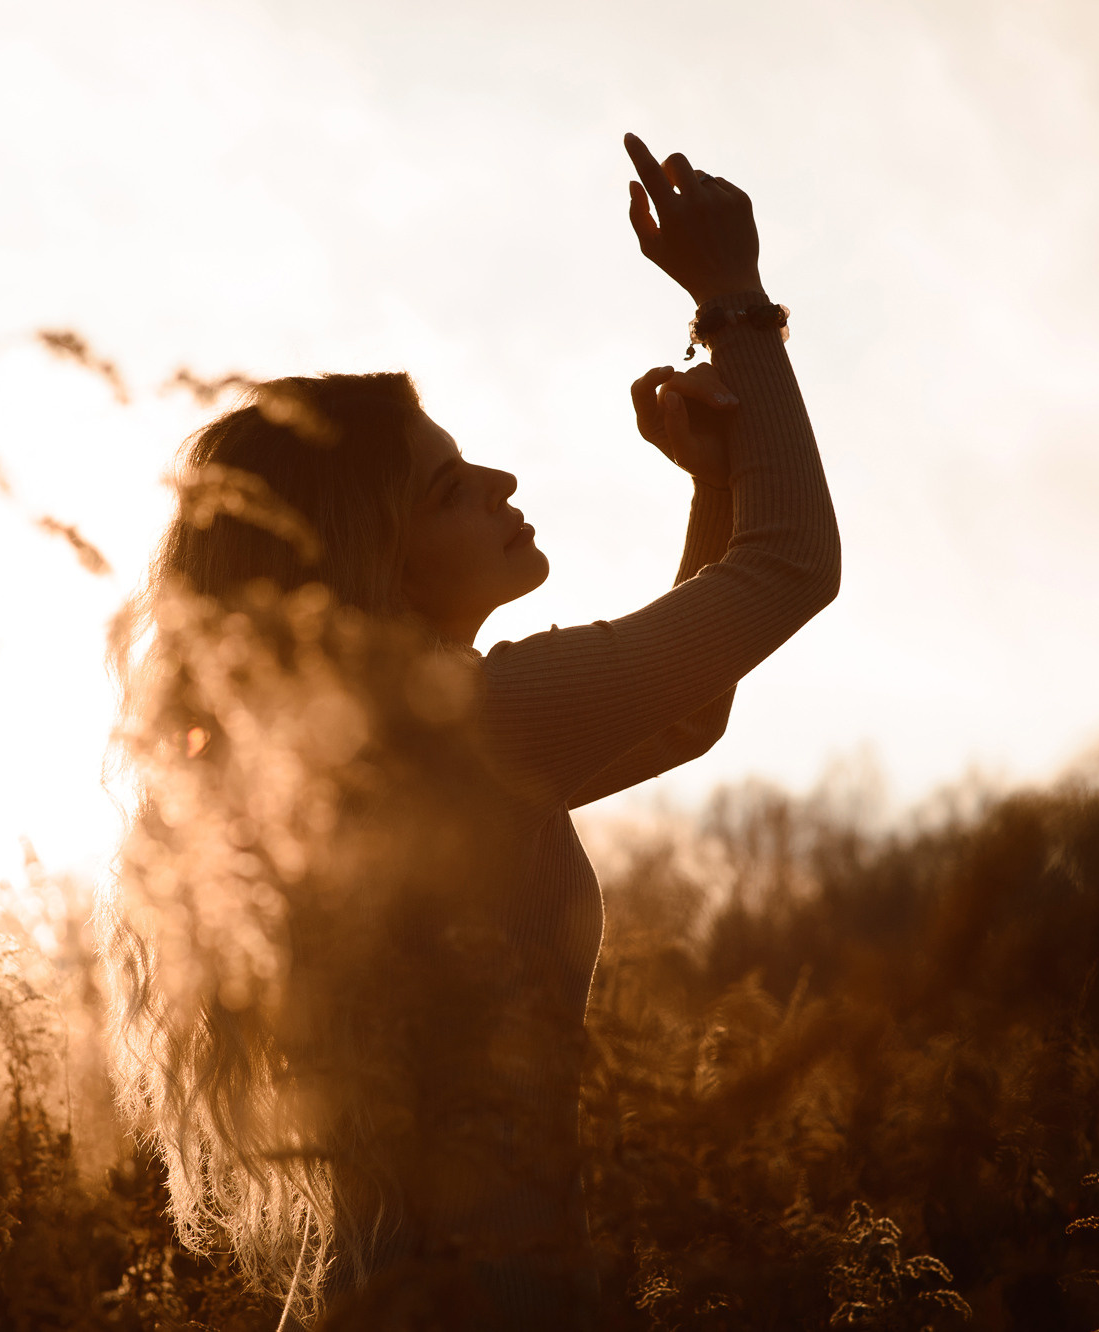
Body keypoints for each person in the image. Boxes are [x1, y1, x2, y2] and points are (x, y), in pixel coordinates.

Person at [97, 133, 840, 1330]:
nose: (497, 479)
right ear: (368, 560)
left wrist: (711, 482)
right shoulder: (472, 726)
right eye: (446, 486)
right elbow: (793, 569)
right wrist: (734, 308)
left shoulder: (399, 749)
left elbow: (684, 714)